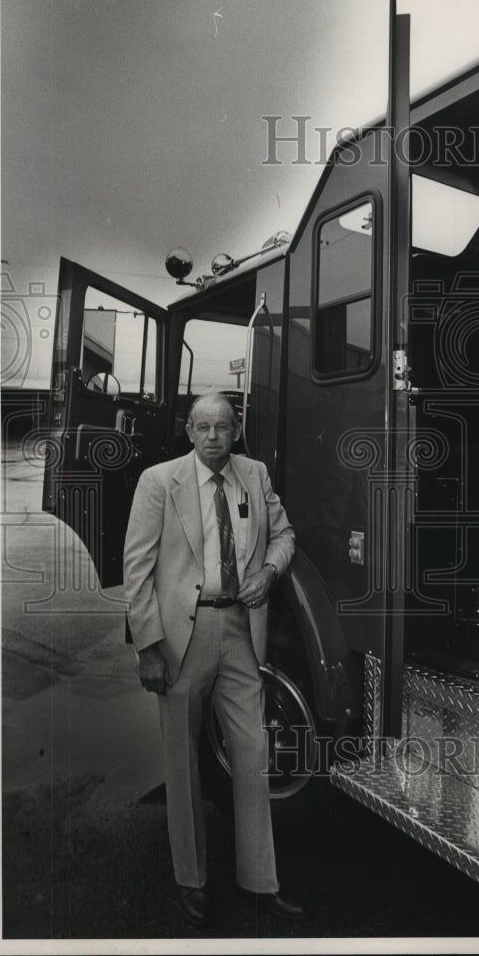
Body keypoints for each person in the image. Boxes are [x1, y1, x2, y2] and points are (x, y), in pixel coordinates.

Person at [123, 392, 305, 928]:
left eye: (222, 427)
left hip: (241, 630)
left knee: (253, 756)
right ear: (188, 431)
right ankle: (192, 879)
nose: (212, 437)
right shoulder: (160, 482)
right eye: (202, 427)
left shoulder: (255, 474)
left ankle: (260, 880)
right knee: (181, 761)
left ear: (236, 429)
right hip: (184, 634)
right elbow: (137, 569)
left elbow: (286, 535)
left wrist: (268, 573)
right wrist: (148, 646)